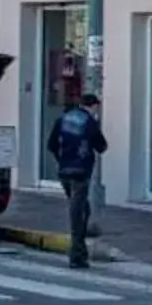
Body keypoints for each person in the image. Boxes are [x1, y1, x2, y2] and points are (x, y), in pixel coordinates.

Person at [47, 89, 107, 269]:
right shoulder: (90, 122)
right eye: (97, 107)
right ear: (93, 105)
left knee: (82, 209)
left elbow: (51, 145)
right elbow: (102, 146)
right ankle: (77, 255)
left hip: (65, 171)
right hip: (81, 172)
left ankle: (80, 247)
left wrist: (62, 161)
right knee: (77, 214)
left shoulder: (63, 119)